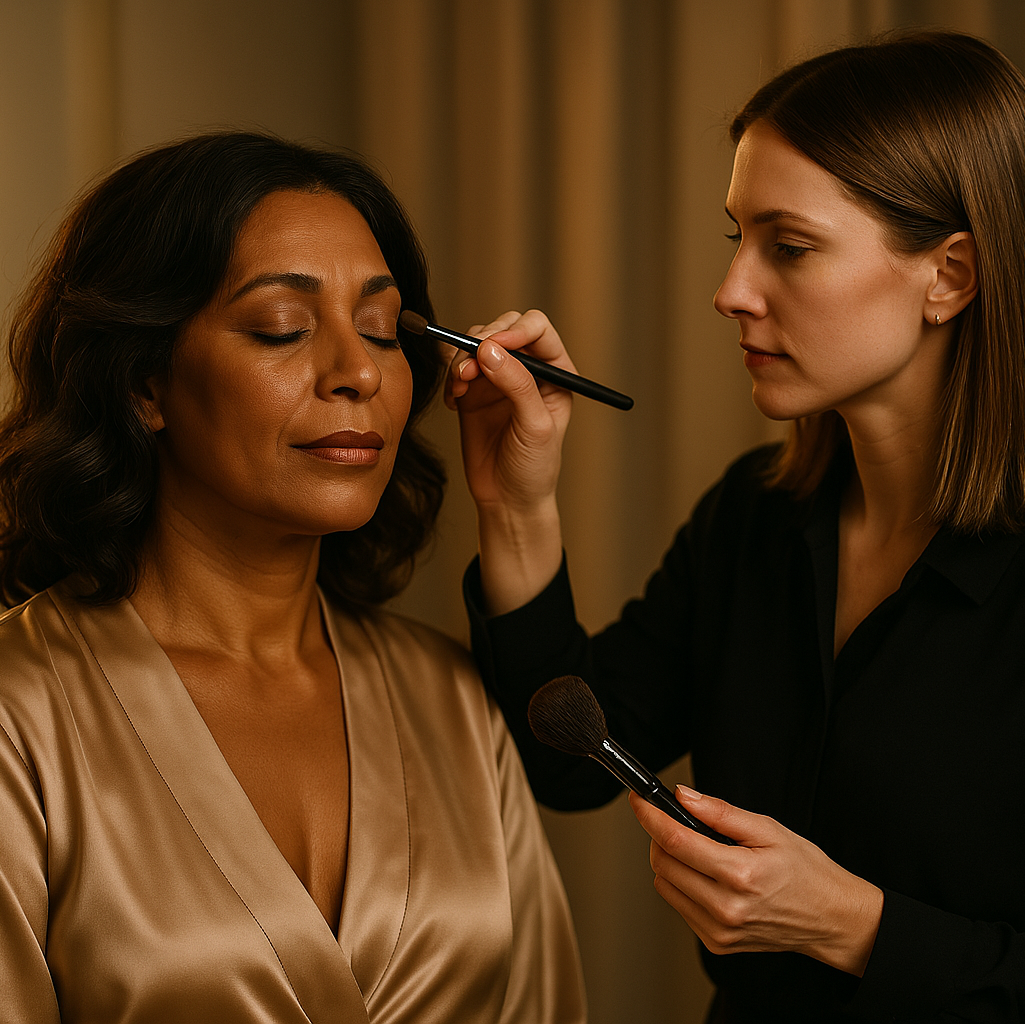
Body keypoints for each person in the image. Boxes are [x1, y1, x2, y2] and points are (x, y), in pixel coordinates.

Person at [447, 29, 1025, 1024]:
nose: (730, 293)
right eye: (737, 239)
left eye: (788, 248)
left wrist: (845, 921)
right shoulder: (752, 521)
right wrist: (517, 504)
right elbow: (568, 758)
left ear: (949, 275)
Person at [0, 132, 585, 1024]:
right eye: (284, 327)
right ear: (143, 381)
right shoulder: (21, 712)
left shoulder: (449, 699)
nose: (357, 372)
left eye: (384, 331)